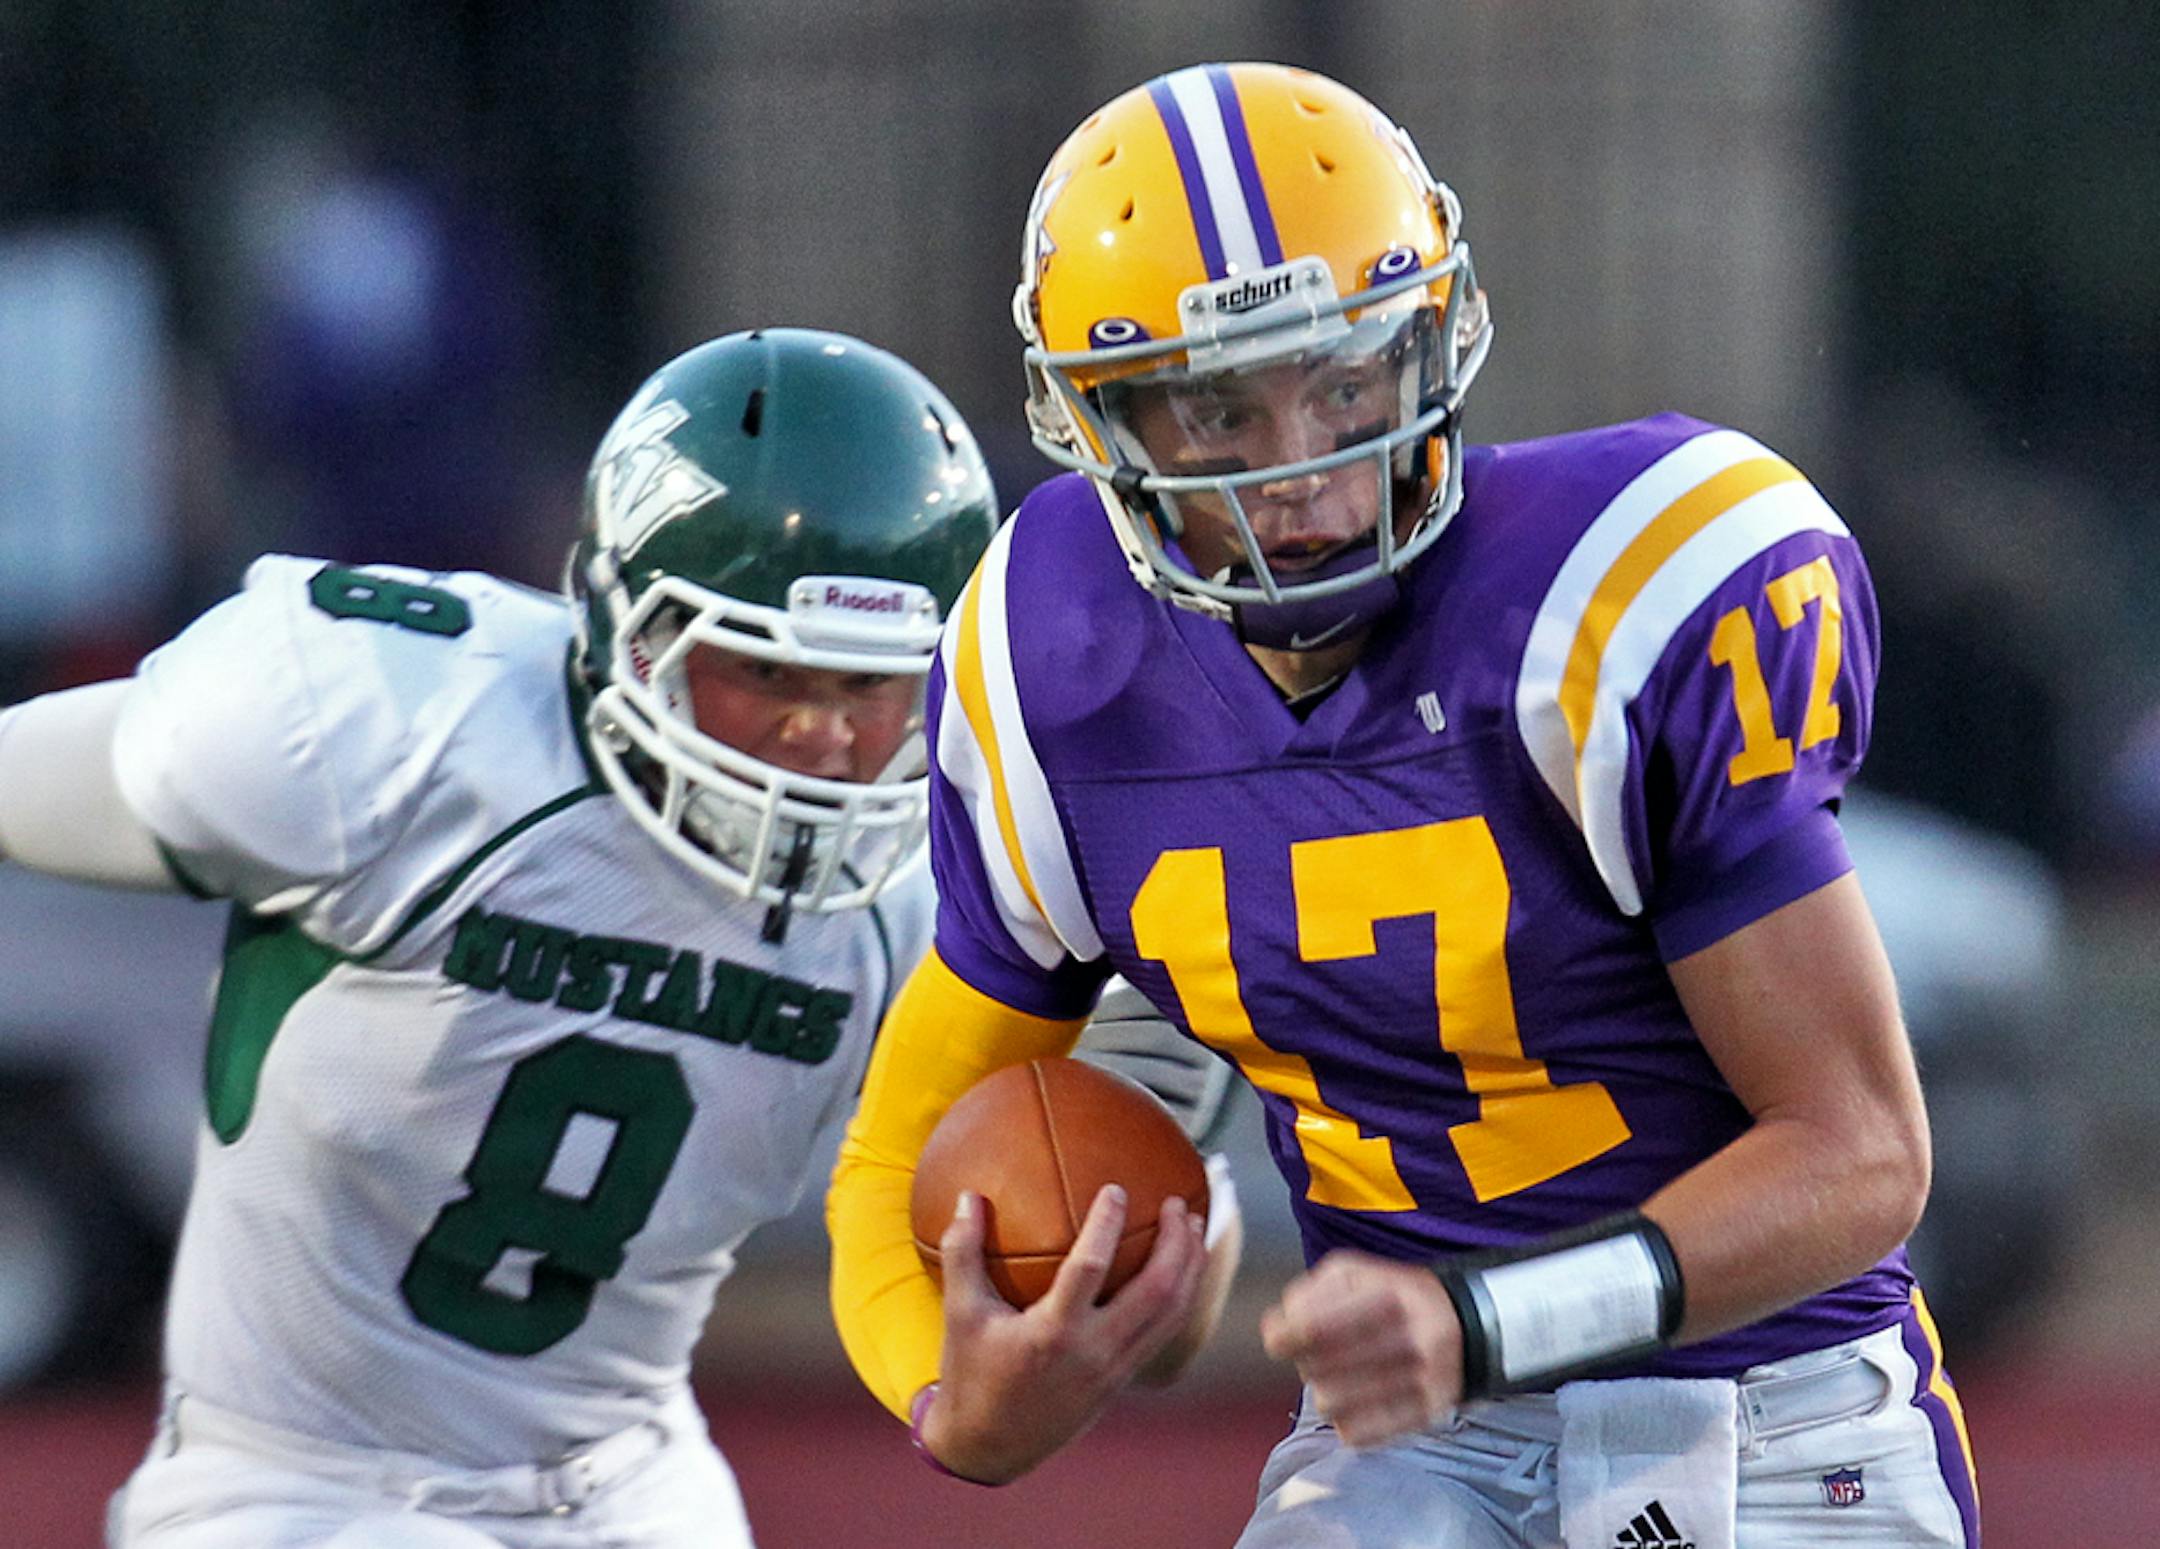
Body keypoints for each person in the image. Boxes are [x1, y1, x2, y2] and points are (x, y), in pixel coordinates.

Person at [827, 62, 1980, 1549]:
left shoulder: (1621, 596)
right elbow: (892, 1151)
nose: (1299, 468)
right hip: (1418, 1444)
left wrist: (1486, 1317)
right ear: (1099, 427)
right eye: (1212, 412)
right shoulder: (1049, 660)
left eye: (1346, 377)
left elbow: (1864, 1154)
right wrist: (954, 1403)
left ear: (1431, 342)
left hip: (1780, 1414)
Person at [0, 327, 1000, 1548]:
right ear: (629, 627)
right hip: (301, 1486)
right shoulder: (399, 732)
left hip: (630, 1478)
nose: (823, 739)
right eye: (764, 671)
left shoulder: (921, 889)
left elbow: (1132, 1209)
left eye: (870, 685)